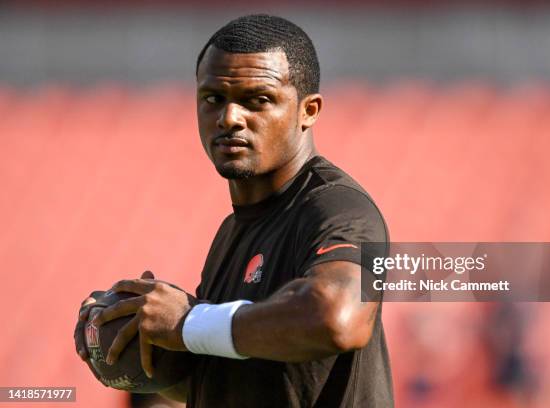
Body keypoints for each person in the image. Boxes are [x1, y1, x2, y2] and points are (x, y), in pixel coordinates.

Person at [75, 14, 393, 407]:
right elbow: (239, 379)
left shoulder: (340, 208)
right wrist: (127, 338)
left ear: (309, 110)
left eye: (257, 100)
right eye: (213, 99)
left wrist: (189, 321)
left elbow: (339, 319)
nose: (229, 118)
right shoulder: (232, 232)